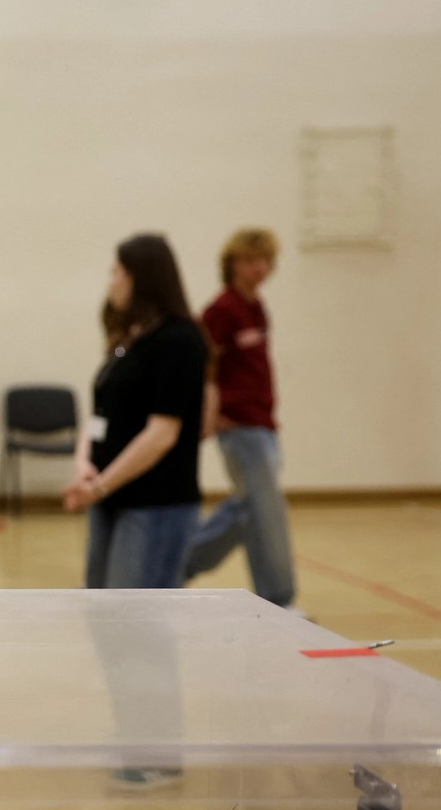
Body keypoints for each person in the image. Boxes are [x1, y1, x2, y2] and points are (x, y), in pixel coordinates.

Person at [63, 234, 208, 589]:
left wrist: (100, 486)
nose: (111, 281)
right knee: (101, 608)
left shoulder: (180, 340)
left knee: (135, 616)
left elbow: (162, 434)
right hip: (109, 495)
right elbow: (100, 412)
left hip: (155, 504)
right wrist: (84, 464)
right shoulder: (130, 339)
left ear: (140, 278)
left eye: (117, 272)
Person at [182, 228, 298, 608]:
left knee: (250, 507)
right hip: (240, 426)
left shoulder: (256, 307)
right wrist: (214, 414)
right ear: (233, 264)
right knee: (265, 511)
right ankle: (278, 598)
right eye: (251, 261)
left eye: (266, 260)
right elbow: (200, 366)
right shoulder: (222, 310)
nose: (260, 268)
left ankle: (176, 565)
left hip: (262, 421)